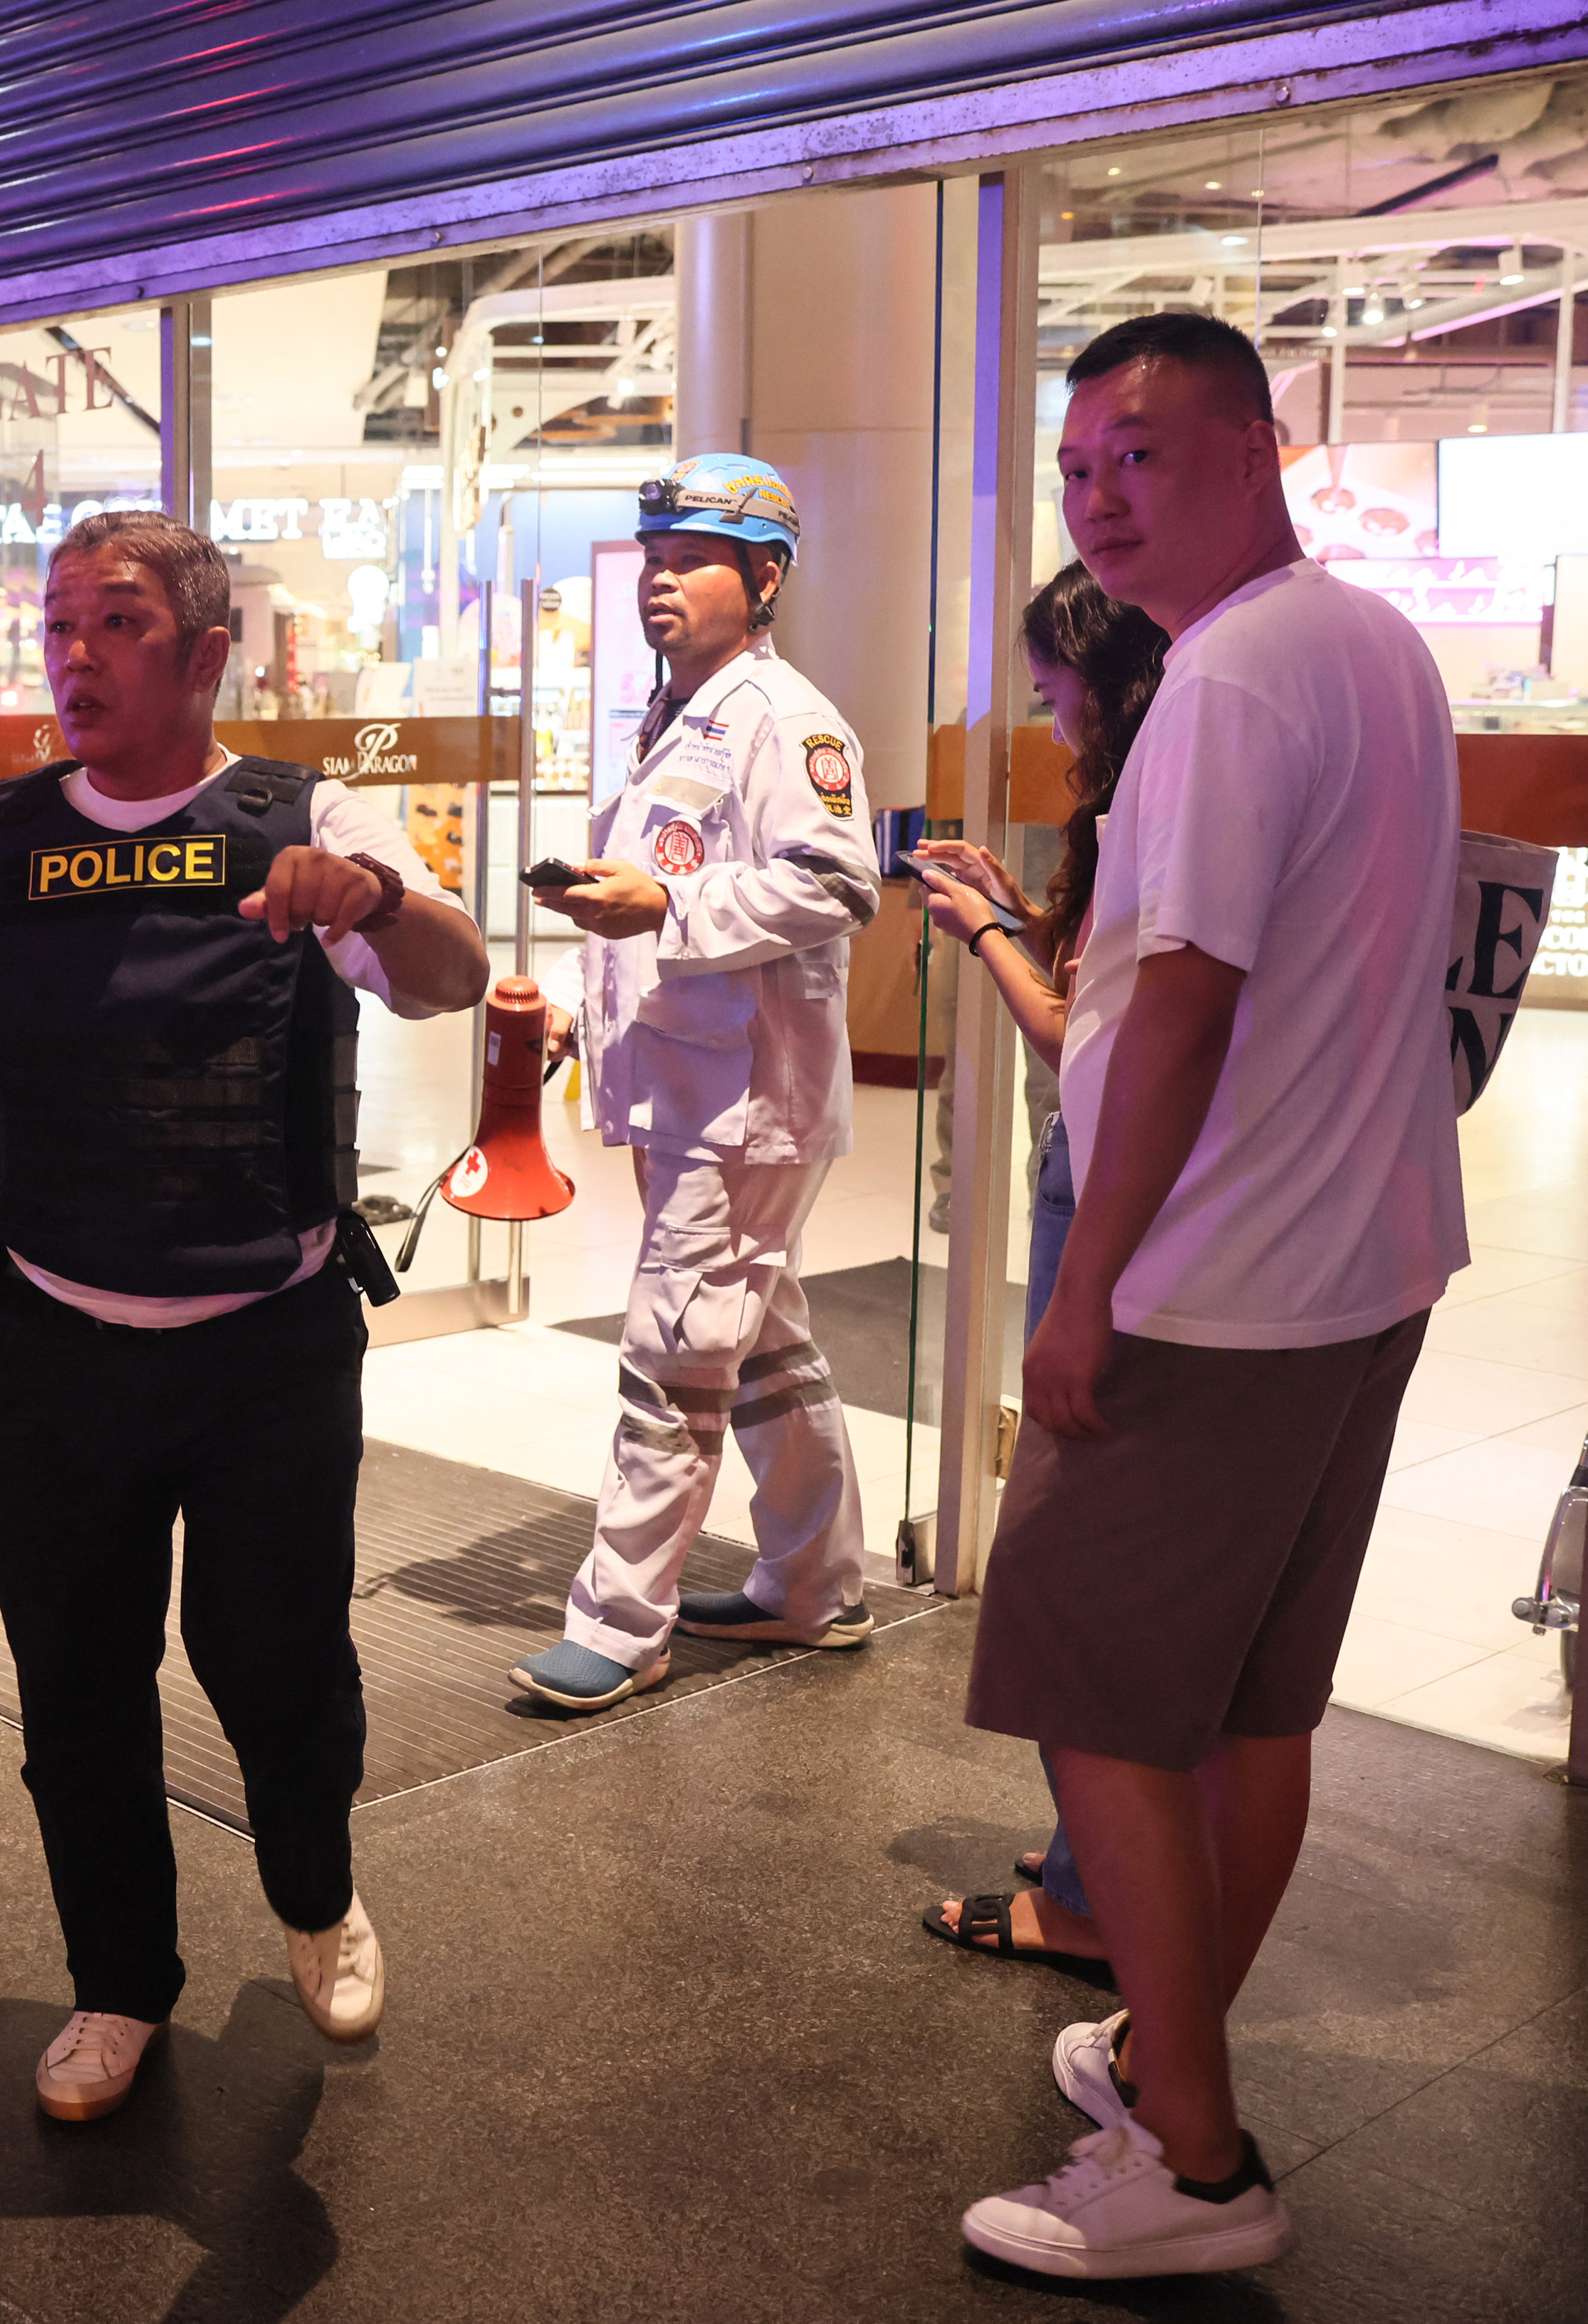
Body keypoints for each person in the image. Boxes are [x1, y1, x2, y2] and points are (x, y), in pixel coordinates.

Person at [0, 510, 491, 2123]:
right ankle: (119, 1982)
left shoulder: (304, 820)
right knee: (74, 1686)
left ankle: (315, 1889)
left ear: (206, 653)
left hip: (265, 1347)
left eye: (116, 623)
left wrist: (371, 897)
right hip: (58, 1340)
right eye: (58, 623)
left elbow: (452, 976)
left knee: (275, 1664)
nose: (74, 655)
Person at [954, 311, 1463, 2280]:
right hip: (1351, 1267)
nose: (1096, 495)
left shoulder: (1229, 677)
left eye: (1139, 453)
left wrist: (1082, 1289)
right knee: (1250, 1701)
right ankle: (1168, 2057)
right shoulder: (1367, 642)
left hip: (1211, 1289)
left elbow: (1175, 1005)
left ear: (1256, 448)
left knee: (1088, 1689)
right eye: (1076, 464)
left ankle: (1189, 2161)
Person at [510, 452, 884, 1714]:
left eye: (691, 563)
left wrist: (665, 906)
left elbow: (836, 882)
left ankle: (621, 1624)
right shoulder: (677, 712)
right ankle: (814, 1585)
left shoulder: (786, 717)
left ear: (765, 576)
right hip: (689, 1085)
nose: (658, 582)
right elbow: (646, 890)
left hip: (743, 1101)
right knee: (757, 1341)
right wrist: (578, 1010)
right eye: (653, 561)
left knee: (672, 1353)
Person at [908, 563, 1167, 1981]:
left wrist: (988, 934)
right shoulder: (1154, 800)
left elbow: (1086, 1046)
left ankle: (1087, 1894)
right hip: (1146, 1202)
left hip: (1107, 1197)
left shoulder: (1152, 804)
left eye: (1051, 686)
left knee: (1072, 1545)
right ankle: (1092, 1851)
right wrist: (1019, 908)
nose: (1042, 711)